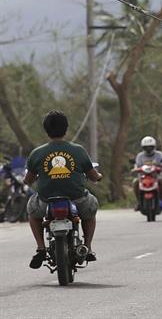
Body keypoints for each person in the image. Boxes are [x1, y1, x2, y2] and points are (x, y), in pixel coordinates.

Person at [24, 110, 102, 268]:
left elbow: (28, 180)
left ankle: (41, 248)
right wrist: (98, 176)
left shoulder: (37, 153)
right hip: (77, 199)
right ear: (66, 128)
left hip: (46, 201)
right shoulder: (78, 150)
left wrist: (34, 178)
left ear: (46, 130)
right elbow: (93, 176)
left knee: (32, 211)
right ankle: (87, 247)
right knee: (90, 209)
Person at [133, 136, 162, 210]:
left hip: (156, 176)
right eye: (146, 147)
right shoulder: (140, 156)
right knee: (135, 182)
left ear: (154, 147)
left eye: (150, 147)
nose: (148, 149)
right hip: (143, 177)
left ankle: (161, 200)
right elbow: (136, 165)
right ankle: (139, 202)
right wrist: (135, 169)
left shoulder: (159, 154)